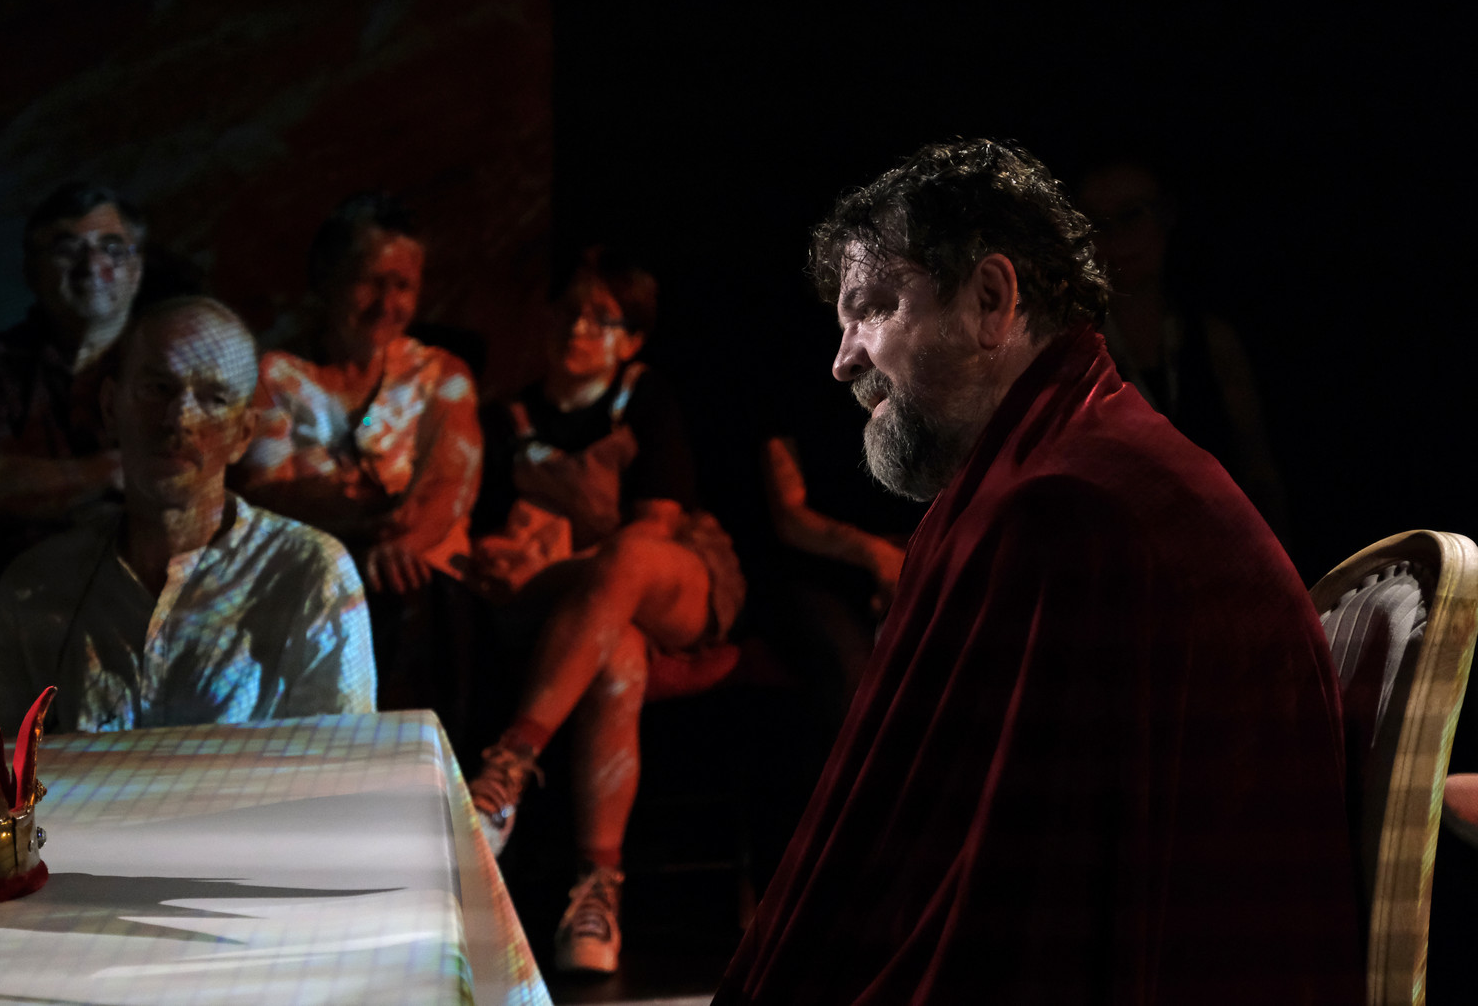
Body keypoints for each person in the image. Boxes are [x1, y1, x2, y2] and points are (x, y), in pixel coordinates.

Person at [713, 139, 1362, 1004]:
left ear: (991, 298)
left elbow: (1004, 920)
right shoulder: (1070, 461)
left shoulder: (1069, 509)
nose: (844, 358)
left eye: (871, 309)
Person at [466, 247, 746, 974]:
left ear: (633, 338)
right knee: (615, 654)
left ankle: (510, 762)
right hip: (570, 610)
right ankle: (597, 893)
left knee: (626, 558)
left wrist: (553, 558)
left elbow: (656, 525)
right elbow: (485, 540)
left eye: (603, 318)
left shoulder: (642, 398)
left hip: (664, 580)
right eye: (570, 312)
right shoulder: (506, 418)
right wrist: (509, 556)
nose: (580, 329)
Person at [0, 297, 375, 737]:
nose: (180, 419)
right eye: (157, 389)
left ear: (243, 433)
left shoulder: (310, 575)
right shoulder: (38, 587)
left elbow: (345, 761)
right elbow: (2, 769)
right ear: (110, 407)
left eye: (214, 398)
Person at [235, 192, 481, 713]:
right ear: (327, 279)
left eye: (403, 286)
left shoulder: (440, 374)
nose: (386, 304)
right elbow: (265, 496)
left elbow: (452, 483)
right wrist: (359, 525)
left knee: (408, 596)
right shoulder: (275, 376)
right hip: (312, 574)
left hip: (421, 576)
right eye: (370, 281)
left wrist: (401, 545)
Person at [0, 183, 145, 578]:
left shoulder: (181, 357)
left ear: (136, 270)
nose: (92, 265)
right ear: (31, 271)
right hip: (21, 591)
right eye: (67, 250)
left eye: (112, 249)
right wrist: (112, 471)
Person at [1078, 159, 1291, 541]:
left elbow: (1260, 474)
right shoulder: (1073, 355)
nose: (1115, 237)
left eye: (1132, 214)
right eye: (1096, 222)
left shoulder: (1213, 342)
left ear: (1166, 216)